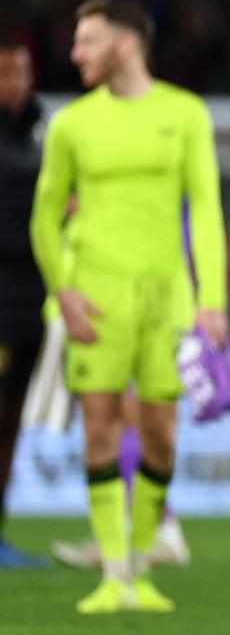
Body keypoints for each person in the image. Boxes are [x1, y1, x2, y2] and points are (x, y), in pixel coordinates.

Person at [29, 0, 228, 613]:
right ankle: (115, 574)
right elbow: (43, 215)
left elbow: (208, 210)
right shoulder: (70, 124)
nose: (74, 53)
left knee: (161, 436)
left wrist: (212, 301)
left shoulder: (184, 112)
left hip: (168, 299)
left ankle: (139, 567)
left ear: (123, 43)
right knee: (98, 431)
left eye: (86, 40)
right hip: (95, 297)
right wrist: (62, 289)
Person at [0, 34, 50, 570]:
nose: (14, 84)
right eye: (4, 73)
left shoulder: (41, 129)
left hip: (29, 303)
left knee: (11, 420)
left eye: (20, 72)